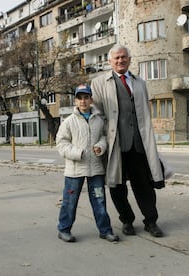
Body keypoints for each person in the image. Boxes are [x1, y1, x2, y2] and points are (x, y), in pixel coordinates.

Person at [91, 45, 165, 237]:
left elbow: (144, 112)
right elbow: (97, 114)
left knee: (145, 186)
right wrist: (101, 140)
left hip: (139, 143)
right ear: (110, 62)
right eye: (116, 58)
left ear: (130, 59)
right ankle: (127, 220)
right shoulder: (99, 83)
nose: (120, 61)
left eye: (123, 57)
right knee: (117, 186)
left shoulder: (140, 83)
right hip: (115, 143)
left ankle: (151, 221)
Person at [56, 84, 119, 243]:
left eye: (86, 97)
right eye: (80, 98)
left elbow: (104, 137)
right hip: (74, 170)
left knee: (99, 201)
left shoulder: (99, 119)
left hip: (96, 169)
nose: (83, 101)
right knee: (70, 202)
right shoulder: (69, 122)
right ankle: (64, 229)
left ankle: (105, 231)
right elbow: (61, 144)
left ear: (91, 99)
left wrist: (101, 146)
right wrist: (78, 153)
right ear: (75, 100)